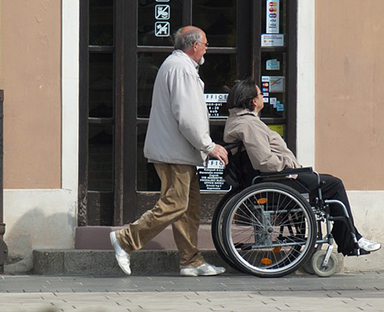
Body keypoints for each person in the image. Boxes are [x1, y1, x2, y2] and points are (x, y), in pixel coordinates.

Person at [110, 26, 229, 277]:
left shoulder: (178, 66)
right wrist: (208, 145)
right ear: (194, 45)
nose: (207, 48)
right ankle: (125, 239)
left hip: (177, 151)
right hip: (175, 152)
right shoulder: (181, 68)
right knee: (175, 204)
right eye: (205, 44)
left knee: (188, 208)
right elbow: (187, 116)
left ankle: (191, 261)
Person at [223, 78, 381, 256]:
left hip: (273, 179)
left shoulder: (239, 121)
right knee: (334, 185)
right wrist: (290, 165)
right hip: (277, 179)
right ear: (253, 100)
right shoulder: (249, 124)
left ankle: (350, 237)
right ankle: (351, 239)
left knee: (326, 181)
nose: (263, 98)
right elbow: (264, 161)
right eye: (261, 94)